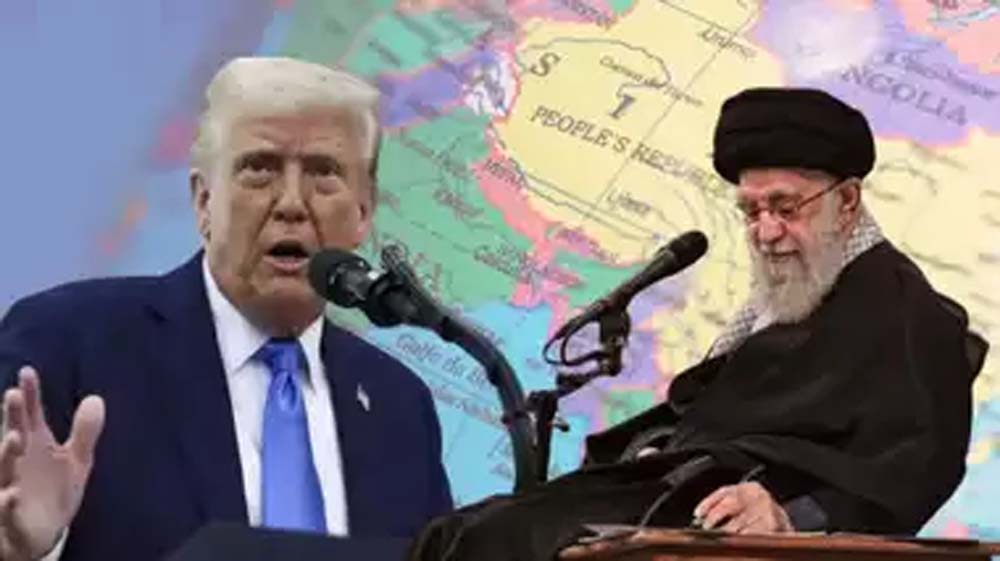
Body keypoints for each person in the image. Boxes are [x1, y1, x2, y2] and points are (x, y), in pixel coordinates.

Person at [408, 87, 986, 561]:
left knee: (502, 539)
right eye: (751, 211)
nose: (766, 232)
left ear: (850, 201)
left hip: (727, 527)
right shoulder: (788, 298)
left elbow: (914, 469)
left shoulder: (910, 314)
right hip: (676, 497)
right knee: (457, 532)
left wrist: (791, 516)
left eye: (786, 208)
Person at [0, 56, 452, 561]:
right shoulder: (68, 343)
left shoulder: (401, 407)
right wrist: (27, 551)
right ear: (203, 202)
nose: (292, 203)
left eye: (324, 173)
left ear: (363, 213)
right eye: (260, 169)